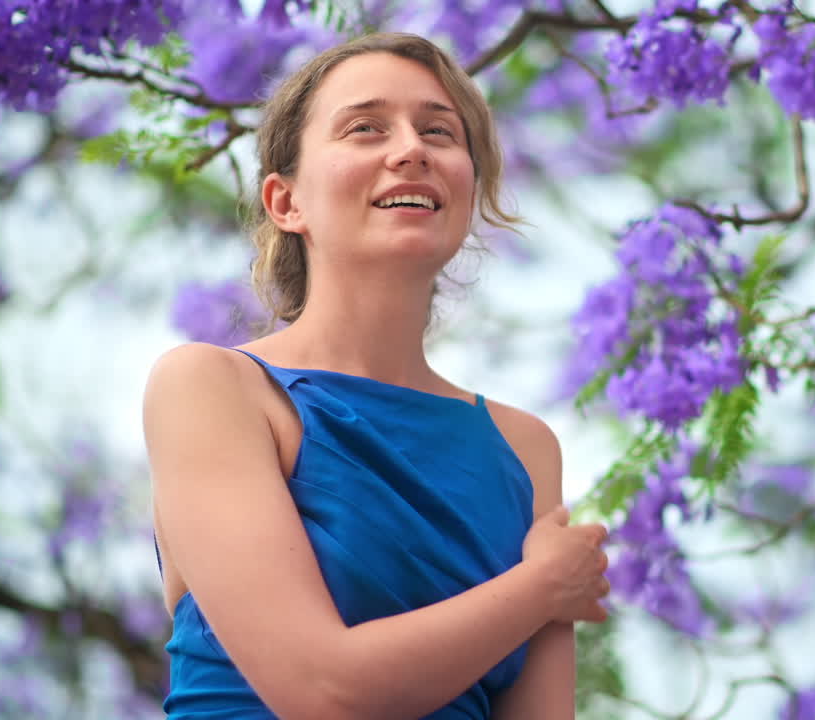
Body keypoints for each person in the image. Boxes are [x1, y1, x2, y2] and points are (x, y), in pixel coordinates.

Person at [143, 32, 611, 719]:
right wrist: (541, 588)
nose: (411, 149)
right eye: (366, 128)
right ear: (285, 202)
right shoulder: (213, 388)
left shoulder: (525, 448)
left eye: (439, 131)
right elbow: (321, 690)